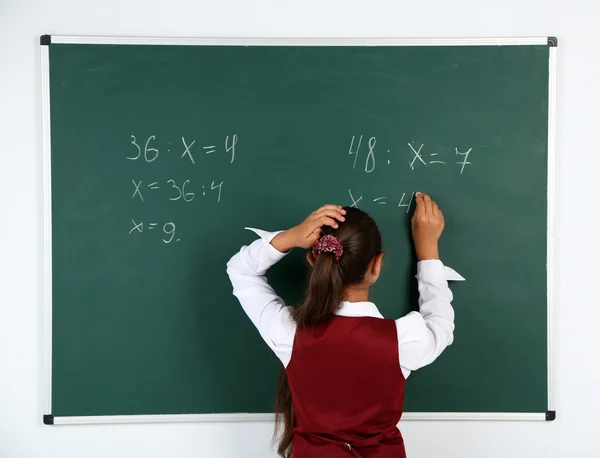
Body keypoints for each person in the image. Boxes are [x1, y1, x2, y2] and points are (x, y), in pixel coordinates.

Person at [226, 192, 464, 458]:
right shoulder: (405, 339)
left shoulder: (289, 332)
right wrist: (428, 249)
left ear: (313, 260)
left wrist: (291, 237)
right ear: (377, 265)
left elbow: (241, 271)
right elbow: (440, 322)